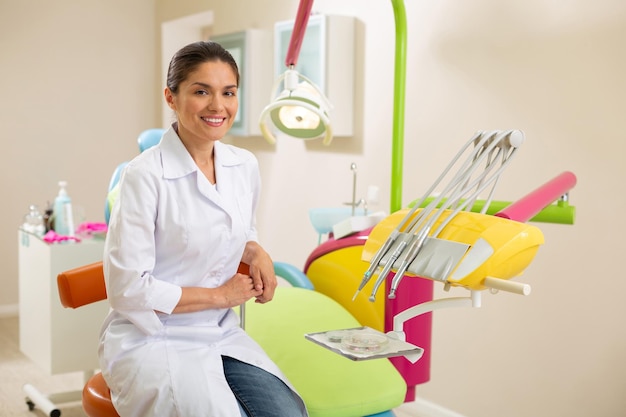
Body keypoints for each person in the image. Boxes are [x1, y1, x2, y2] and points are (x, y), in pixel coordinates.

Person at [99, 41, 308, 417]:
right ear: (171, 97)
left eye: (228, 93)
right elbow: (127, 289)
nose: (218, 106)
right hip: (152, 337)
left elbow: (239, 227)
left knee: (289, 412)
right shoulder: (144, 176)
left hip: (220, 332)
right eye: (201, 92)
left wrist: (254, 249)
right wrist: (220, 296)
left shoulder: (243, 165)